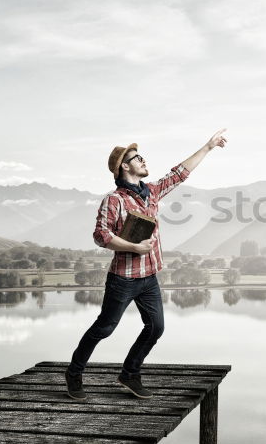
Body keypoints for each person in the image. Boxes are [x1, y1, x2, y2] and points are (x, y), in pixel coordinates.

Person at [65, 129, 228, 400]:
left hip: (149, 276)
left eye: (142, 156)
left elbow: (179, 173)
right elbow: (101, 236)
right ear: (124, 167)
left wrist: (208, 146)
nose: (143, 160)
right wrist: (132, 247)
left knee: (155, 327)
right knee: (104, 328)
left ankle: (129, 373)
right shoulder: (114, 200)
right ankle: (74, 373)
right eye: (137, 158)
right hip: (123, 279)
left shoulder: (151, 192)